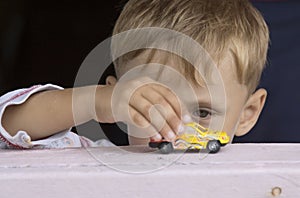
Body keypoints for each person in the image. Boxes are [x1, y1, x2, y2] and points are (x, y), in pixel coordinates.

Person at [0, 0, 269, 149]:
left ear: (247, 114)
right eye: (154, 107)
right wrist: (97, 101)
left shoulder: (268, 181)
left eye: (203, 112)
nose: (176, 131)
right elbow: (9, 127)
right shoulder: (91, 160)